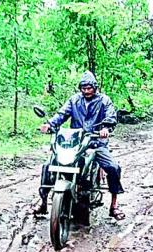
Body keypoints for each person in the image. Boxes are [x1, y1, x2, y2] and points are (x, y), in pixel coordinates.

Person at [36, 70, 125, 220]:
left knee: (113, 167)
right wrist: (49, 124)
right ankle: (43, 201)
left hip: (96, 143)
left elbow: (111, 116)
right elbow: (62, 114)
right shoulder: (74, 100)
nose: (86, 91)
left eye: (89, 88)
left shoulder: (104, 101)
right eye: (83, 88)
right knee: (48, 165)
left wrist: (105, 128)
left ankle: (114, 205)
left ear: (95, 87)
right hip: (74, 143)